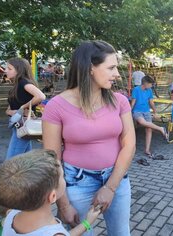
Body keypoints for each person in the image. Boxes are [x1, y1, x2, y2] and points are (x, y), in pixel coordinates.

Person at [42, 40, 136, 236]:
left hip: (117, 178)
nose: (117, 74)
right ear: (90, 68)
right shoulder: (56, 106)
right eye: (111, 67)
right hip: (77, 182)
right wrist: (64, 204)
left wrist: (110, 187)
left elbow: (129, 144)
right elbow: (52, 160)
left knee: (121, 233)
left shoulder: (119, 100)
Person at [0, 149, 101, 236]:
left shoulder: (11, 214)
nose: (64, 178)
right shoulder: (54, 233)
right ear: (52, 196)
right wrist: (87, 222)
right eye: (62, 176)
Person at [5, 58, 46, 159]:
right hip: (19, 126)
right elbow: (8, 110)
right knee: (25, 159)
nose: (6, 70)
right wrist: (12, 111)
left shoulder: (24, 83)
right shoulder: (16, 86)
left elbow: (41, 96)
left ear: (19, 70)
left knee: (11, 161)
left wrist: (23, 107)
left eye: (9, 69)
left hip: (22, 126)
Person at [131, 75, 169, 163]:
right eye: (151, 84)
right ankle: (160, 128)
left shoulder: (149, 90)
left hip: (147, 111)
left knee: (149, 129)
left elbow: (151, 102)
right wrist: (129, 112)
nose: (152, 86)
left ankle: (147, 150)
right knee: (142, 122)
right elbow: (133, 102)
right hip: (137, 111)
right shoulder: (136, 90)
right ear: (146, 83)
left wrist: (155, 112)